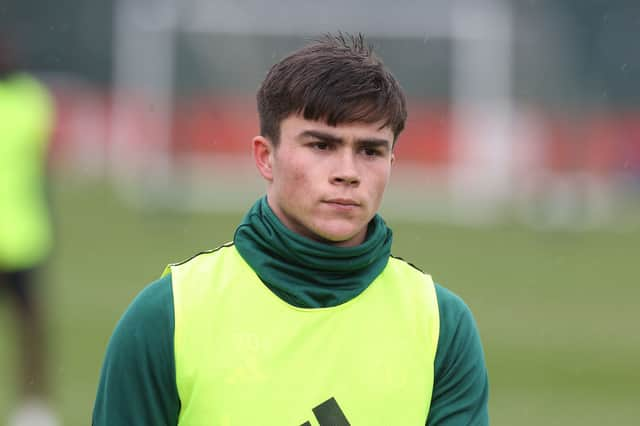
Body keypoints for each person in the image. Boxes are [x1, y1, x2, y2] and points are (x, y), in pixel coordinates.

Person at [92, 32, 489, 425]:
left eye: (370, 151)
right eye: (321, 146)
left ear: (391, 162)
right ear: (266, 158)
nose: (348, 173)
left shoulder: (442, 326)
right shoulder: (166, 317)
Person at [0, 36, 59, 426]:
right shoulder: (34, 100)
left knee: (30, 323)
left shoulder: (33, 99)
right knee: (30, 323)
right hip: (24, 230)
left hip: (21, 232)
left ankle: (34, 404)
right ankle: (34, 402)